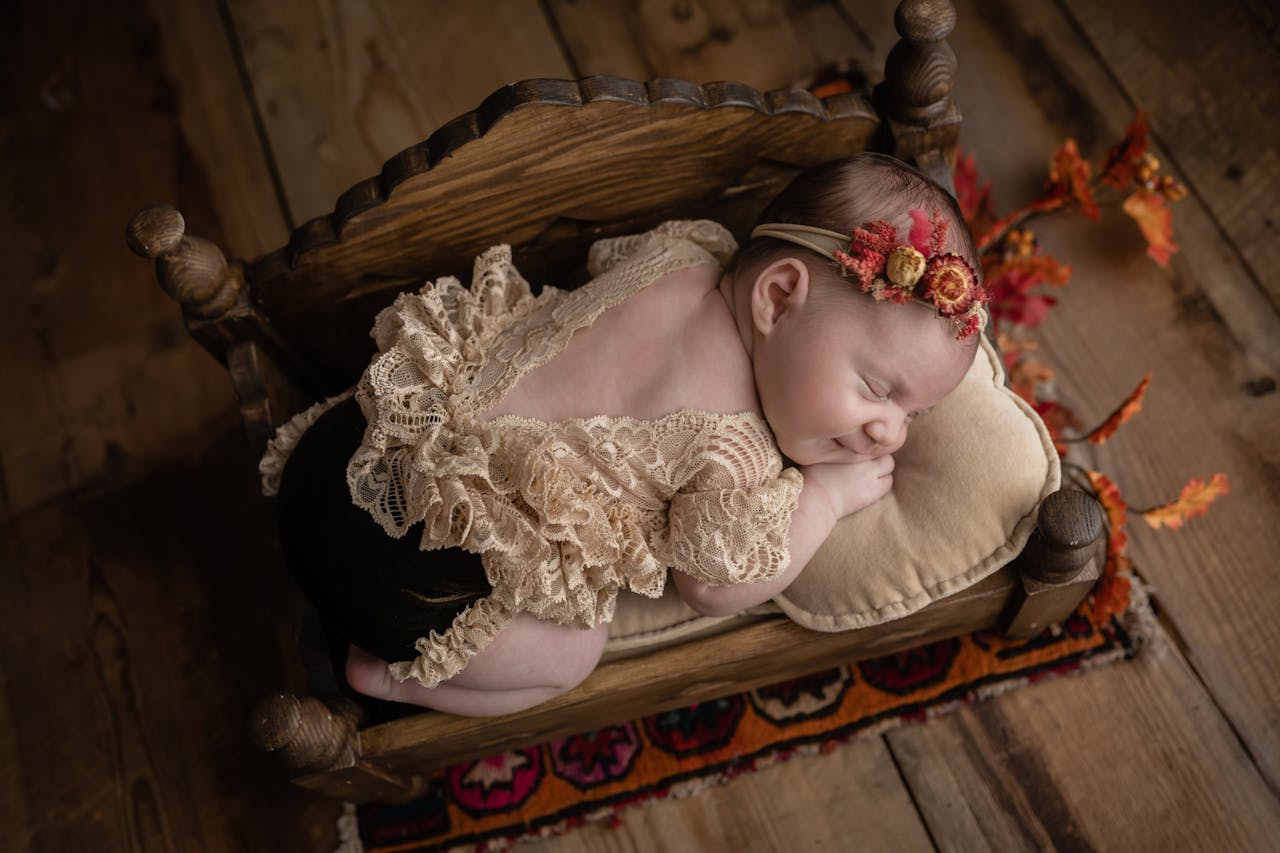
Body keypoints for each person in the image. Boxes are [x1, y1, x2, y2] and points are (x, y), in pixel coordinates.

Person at [261, 153, 987, 716]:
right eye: (878, 390)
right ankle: (386, 677)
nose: (888, 433)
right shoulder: (733, 449)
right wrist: (823, 500)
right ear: (779, 295)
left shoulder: (686, 251)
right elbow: (711, 584)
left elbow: (602, 263)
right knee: (576, 652)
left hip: (347, 452)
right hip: (417, 581)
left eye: (912, 415)